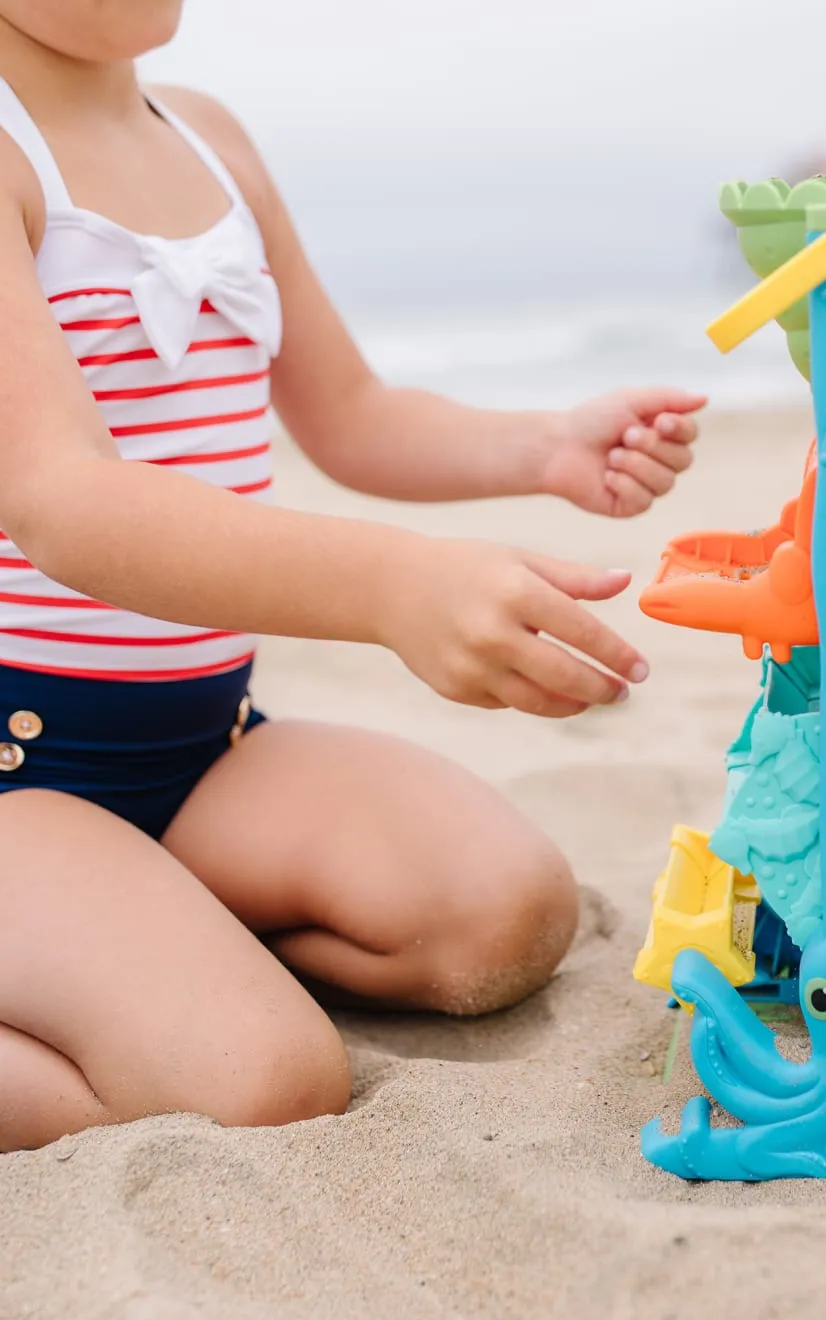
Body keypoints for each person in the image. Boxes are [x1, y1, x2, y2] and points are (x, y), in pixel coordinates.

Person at [0, 0, 705, 1153]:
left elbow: (352, 413)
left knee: (503, 914)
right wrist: (391, 588)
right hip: (17, 776)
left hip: (205, 749)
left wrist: (542, 445)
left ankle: (149, 941)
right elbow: (63, 502)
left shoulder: (212, 139)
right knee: (264, 1080)